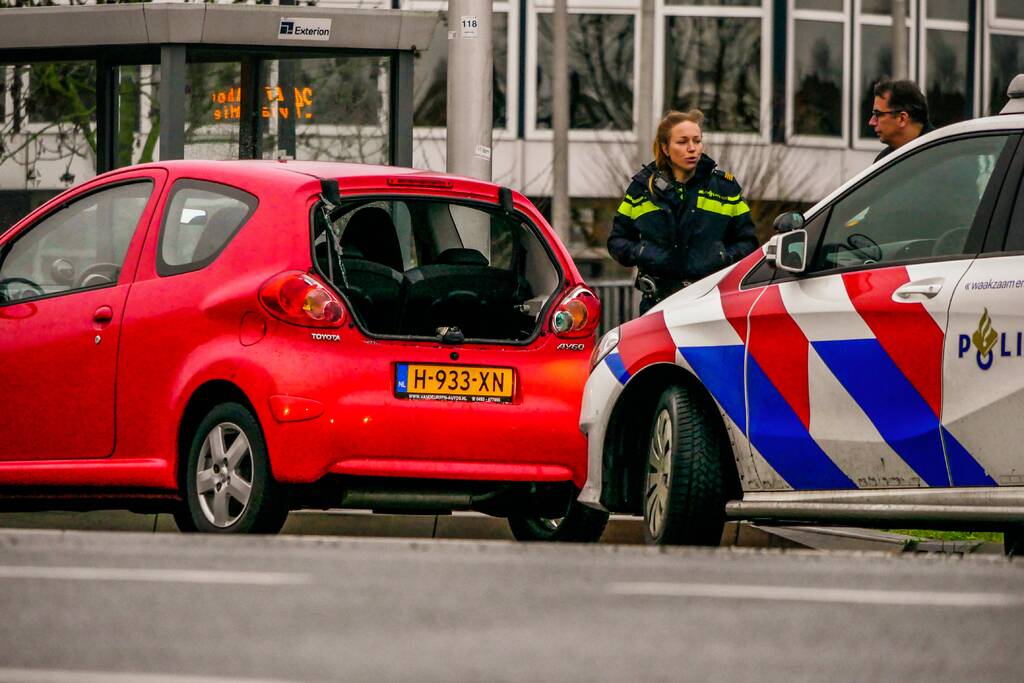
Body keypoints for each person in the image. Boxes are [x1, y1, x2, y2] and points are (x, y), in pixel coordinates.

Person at [608, 109, 758, 314]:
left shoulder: (725, 189)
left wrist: (720, 256)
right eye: (682, 142)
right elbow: (617, 242)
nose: (692, 148)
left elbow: (749, 243)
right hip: (657, 303)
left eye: (697, 141)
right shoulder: (641, 189)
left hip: (710, 304)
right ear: (665, 148)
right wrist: (644, 252)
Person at [870, 78, 934, 162]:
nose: (871, 122)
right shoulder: (883, 161)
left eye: (878, 114)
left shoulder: (941, 154)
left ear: (902, 119)